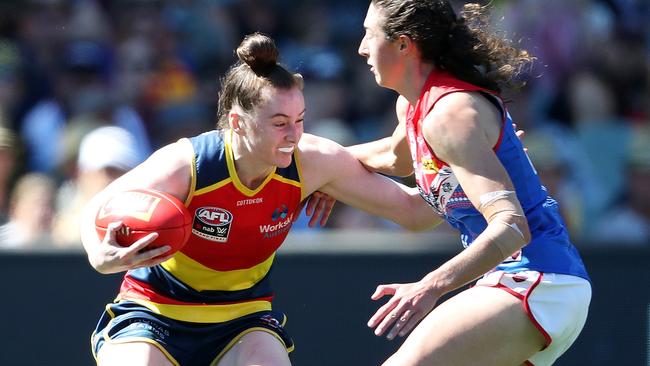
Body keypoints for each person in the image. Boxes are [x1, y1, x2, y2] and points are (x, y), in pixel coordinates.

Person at [79, 33, 440, 366]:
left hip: (243, 315)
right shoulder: (189, 164)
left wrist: (466, 167)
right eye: (280, 122)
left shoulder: (311, 162)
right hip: (154, 308)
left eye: (299, 120)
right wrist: (100, 256)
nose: (293, 135)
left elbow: (414, 213)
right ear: (237, 123)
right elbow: (98, 207)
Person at [347, 1, 591, 365]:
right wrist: (311, 165)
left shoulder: (449, 114)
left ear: (403, 44)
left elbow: (511, 227)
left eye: (370, 33)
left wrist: (429, 286)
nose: (361, 47)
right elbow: (392, 160)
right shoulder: (414, 107)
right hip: (535, 285)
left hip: (536, 280)